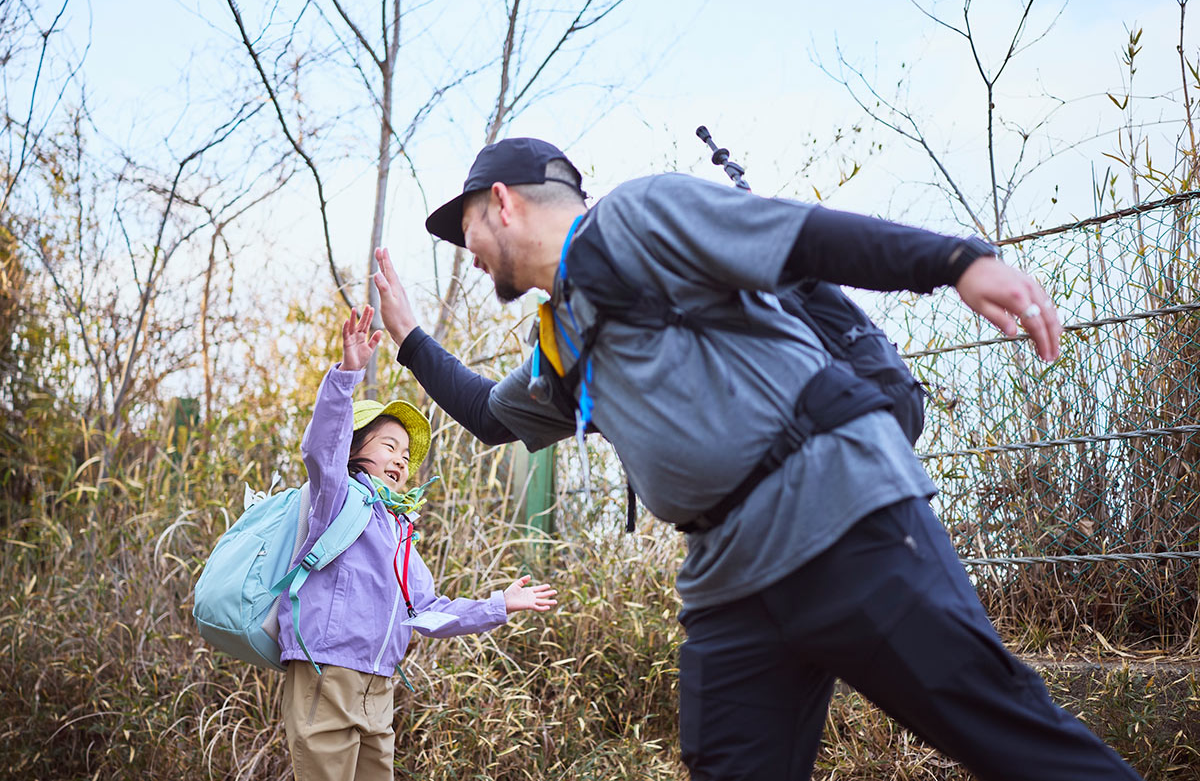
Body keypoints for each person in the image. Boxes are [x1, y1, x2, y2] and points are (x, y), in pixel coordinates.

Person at [369, 137, 1142, 780]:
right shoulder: (563, 340)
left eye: (465, 226)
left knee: (1011, 738)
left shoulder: (638, 218)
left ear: (503, 202)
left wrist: (957, 260)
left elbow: (801, 235)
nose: (465, 252)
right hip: (731, 584)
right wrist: (408, 340)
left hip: (842, 522)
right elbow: (486, 414)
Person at [277, 303, 558, 781]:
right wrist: (348, 372)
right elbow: (321, 447)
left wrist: (499, 604)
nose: (401, 460)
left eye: (406, 455)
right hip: (327, 674)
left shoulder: (399, 530)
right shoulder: (337, 499)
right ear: (354, 448)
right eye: (388, 445)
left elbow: (427, 611)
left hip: (379, 688)